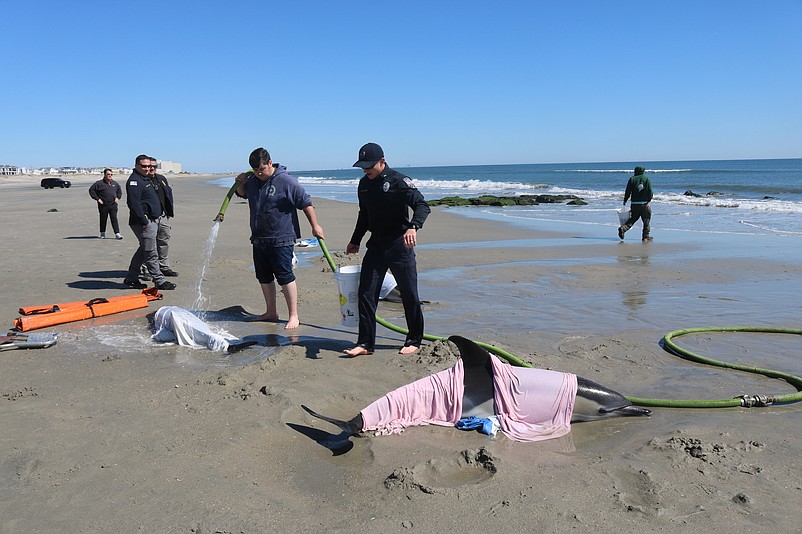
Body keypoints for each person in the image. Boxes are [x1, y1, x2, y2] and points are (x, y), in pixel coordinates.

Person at [343, 142, 430, 357]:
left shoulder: (400, 181)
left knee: (409, 293)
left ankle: (414, 339)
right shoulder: (363, 184)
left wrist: (413, 227)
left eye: (369, 166)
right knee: (366, 293)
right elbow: (364, 215)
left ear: (382, 161)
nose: (366, 171)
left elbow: (422, 206)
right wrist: (355, 240)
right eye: (363, 167)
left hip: (400, 244)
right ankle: (364, 343)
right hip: (377, 244)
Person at [235, 147, 324, 330]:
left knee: (285, 276)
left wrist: (315, 226)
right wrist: (240, 183)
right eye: (255, 170)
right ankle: (271, 312)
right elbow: (243, 194)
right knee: (264, 276)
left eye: (262, 169)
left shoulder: (286, 180)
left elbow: (305, 202)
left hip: (281, 237)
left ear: (269, 163)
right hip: (259, 237)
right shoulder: (252, 181)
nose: (259, 173)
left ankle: (293, 315)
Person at [123, 155, 176, 290]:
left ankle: (131, 278)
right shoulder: (134, 181)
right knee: (150, 251)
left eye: (149, 166)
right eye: (144, 166)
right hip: (144, 222)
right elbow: (133, 204)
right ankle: (159, 280)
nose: (147, 168)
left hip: (155, 219)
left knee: (143, 250)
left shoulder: (147, 178)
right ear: (136, 166)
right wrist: (144, 221)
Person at [139, 157, 178, 280]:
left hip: (163, 215)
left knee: (164, 240)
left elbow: (168, 194)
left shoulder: (161, 179)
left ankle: (163, 266)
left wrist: (169, 212)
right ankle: (147, 269)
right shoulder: (143, 180)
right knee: (150, 244)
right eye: (150, 166)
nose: (152, 169)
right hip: (150, 218)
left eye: (154, 167)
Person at [619, 165, 654, 242]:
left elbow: (627, 191)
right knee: (646, 220)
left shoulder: (632, 179)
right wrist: (649, 200)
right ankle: (645, 236)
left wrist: (625, 200)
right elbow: (650, 191)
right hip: (644, 204)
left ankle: (623, 228)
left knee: (633, 218)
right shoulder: (646, 179)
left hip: (634, 204)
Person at [88, 168, 123, 239]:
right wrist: (98, 199)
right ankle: (102, 233)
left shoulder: (114, 183)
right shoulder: (99, 183)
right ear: (104, 175)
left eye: (111, 174)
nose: (110, 176)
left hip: (113, 204)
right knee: (103, 219)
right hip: (103, 205)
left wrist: (118, 198)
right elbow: (91, 190)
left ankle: (117, 233)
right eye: (108, 174)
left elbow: (119, 191)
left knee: (114, 219)